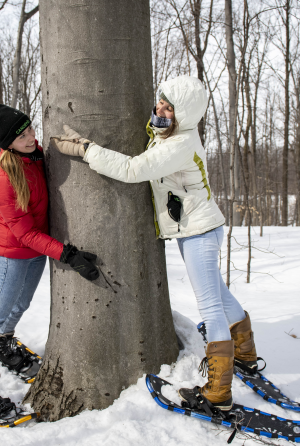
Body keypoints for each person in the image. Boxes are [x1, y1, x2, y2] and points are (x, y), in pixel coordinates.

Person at [51, 75, 261, 413]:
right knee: (219, 293)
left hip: (199, 233)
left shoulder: (179, 144)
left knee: (210, 304)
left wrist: (86, 149)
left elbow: (134, 169)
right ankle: (246, 355)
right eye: (160, 102)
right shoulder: (172, 134)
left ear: (185, 115)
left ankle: (219, 391)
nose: (160, 109)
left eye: (169, 108)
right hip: (198, 229)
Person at [0, 99, 100, 418]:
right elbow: (23, 233)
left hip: (37, 251)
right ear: (8, 145)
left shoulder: (36, 154)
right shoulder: (2, 178)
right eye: (21, 136)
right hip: (13, 254)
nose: (30, 138)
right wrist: (67, 254)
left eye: (29, 130)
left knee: (20, 306)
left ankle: (4, 343)